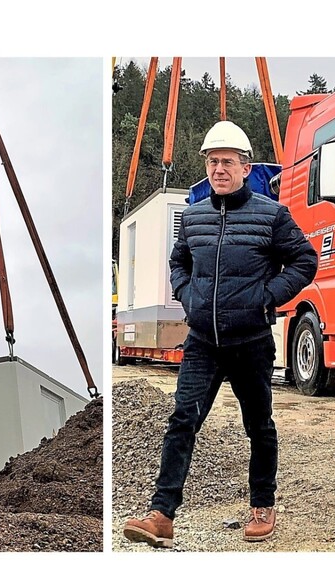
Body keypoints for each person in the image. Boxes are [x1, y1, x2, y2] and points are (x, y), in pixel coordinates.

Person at [123, 121, 318, 547]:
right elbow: (179, 262)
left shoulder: (272, 215)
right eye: (213, 162)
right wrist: (187, 294)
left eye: (228, 162)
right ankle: (162, 514)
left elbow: (305, 260)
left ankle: (262, 506)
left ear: (246, 168)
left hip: (250, 341)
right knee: (182, 420)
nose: (219, 169)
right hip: (203, 343)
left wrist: (268, 297)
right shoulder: (193, 219)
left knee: (258, 425)